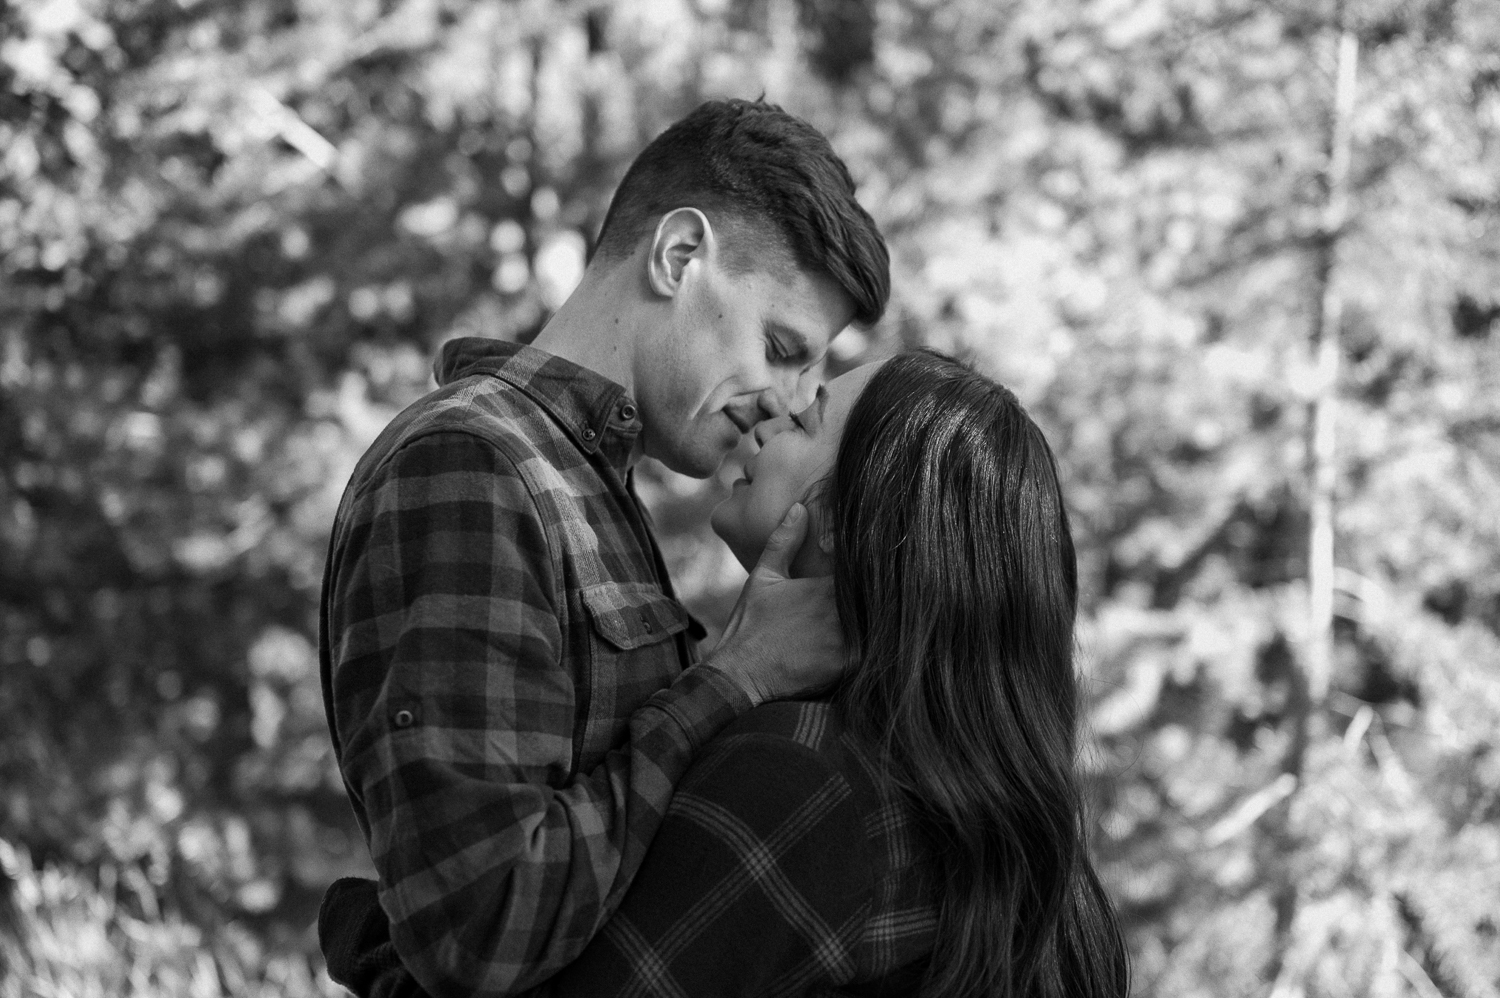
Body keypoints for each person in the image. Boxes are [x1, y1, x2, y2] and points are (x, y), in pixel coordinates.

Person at [325, 350, 1132, 998]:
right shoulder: (944, 805)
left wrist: (368, 936)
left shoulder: (806, 778)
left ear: (852, 525)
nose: (773, 411)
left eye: (809, 418)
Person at [317, 98, 890, 997]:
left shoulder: (584, 486)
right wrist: (732, 678)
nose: (789, 400)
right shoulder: (473, 463)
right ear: (679, 256)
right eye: (781, 347)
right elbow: (483, 928)